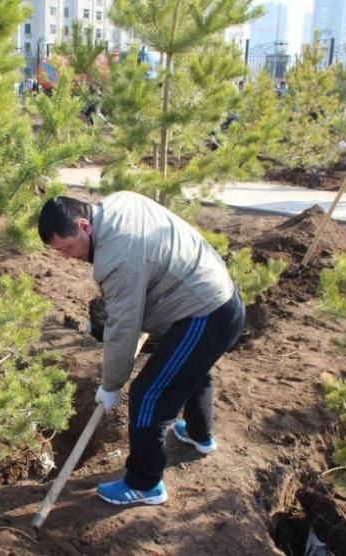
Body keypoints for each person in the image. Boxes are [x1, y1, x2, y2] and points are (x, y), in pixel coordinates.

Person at [38, 193, 245, 506]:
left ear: (84, 226)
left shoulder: (118, 259)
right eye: (59, 252)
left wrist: (111, 385)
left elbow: (122, 328)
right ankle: (199, 435)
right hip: (214, 292)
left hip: (205, 312)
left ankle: (145, 483)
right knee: (188, 367)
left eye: (67, 247)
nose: (67, 257)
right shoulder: (118, 203)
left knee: (147, 395)